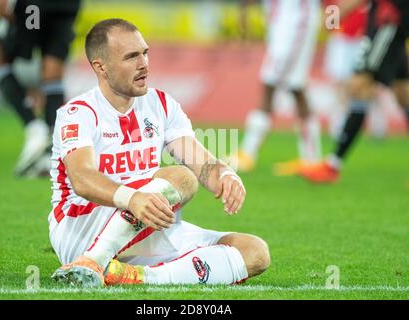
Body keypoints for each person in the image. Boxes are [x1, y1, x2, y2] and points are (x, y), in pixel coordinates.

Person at [49, 18, 270, 287]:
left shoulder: (161, 104)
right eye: (131, 57)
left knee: (254, 252)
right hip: (85, 227)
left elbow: (201, 163)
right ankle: (93, 260)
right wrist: (132, 199)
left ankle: (134, 277)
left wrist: (224, 175)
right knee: (182, 178)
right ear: (101, 67)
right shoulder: (79, 113)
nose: (144, 64)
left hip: (146, 221)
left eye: (145, 52)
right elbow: (82, 179)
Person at [300, 0, 409, 183]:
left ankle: (333, 165)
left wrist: (337, 15)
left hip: (388, 24)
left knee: (359, 86)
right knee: (403, 93)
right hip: (388, 23)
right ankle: (332, 165)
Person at [0, 0, 81, 177]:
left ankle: (34, 128)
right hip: (67, 6)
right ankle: (50, 152)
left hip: (33, 6)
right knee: (52, 69)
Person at [228, 0, 322, 176]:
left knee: (271, 82)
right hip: (280, 24)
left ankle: (247, 153)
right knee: (295, 87)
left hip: (297, 23)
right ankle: (311, 160)